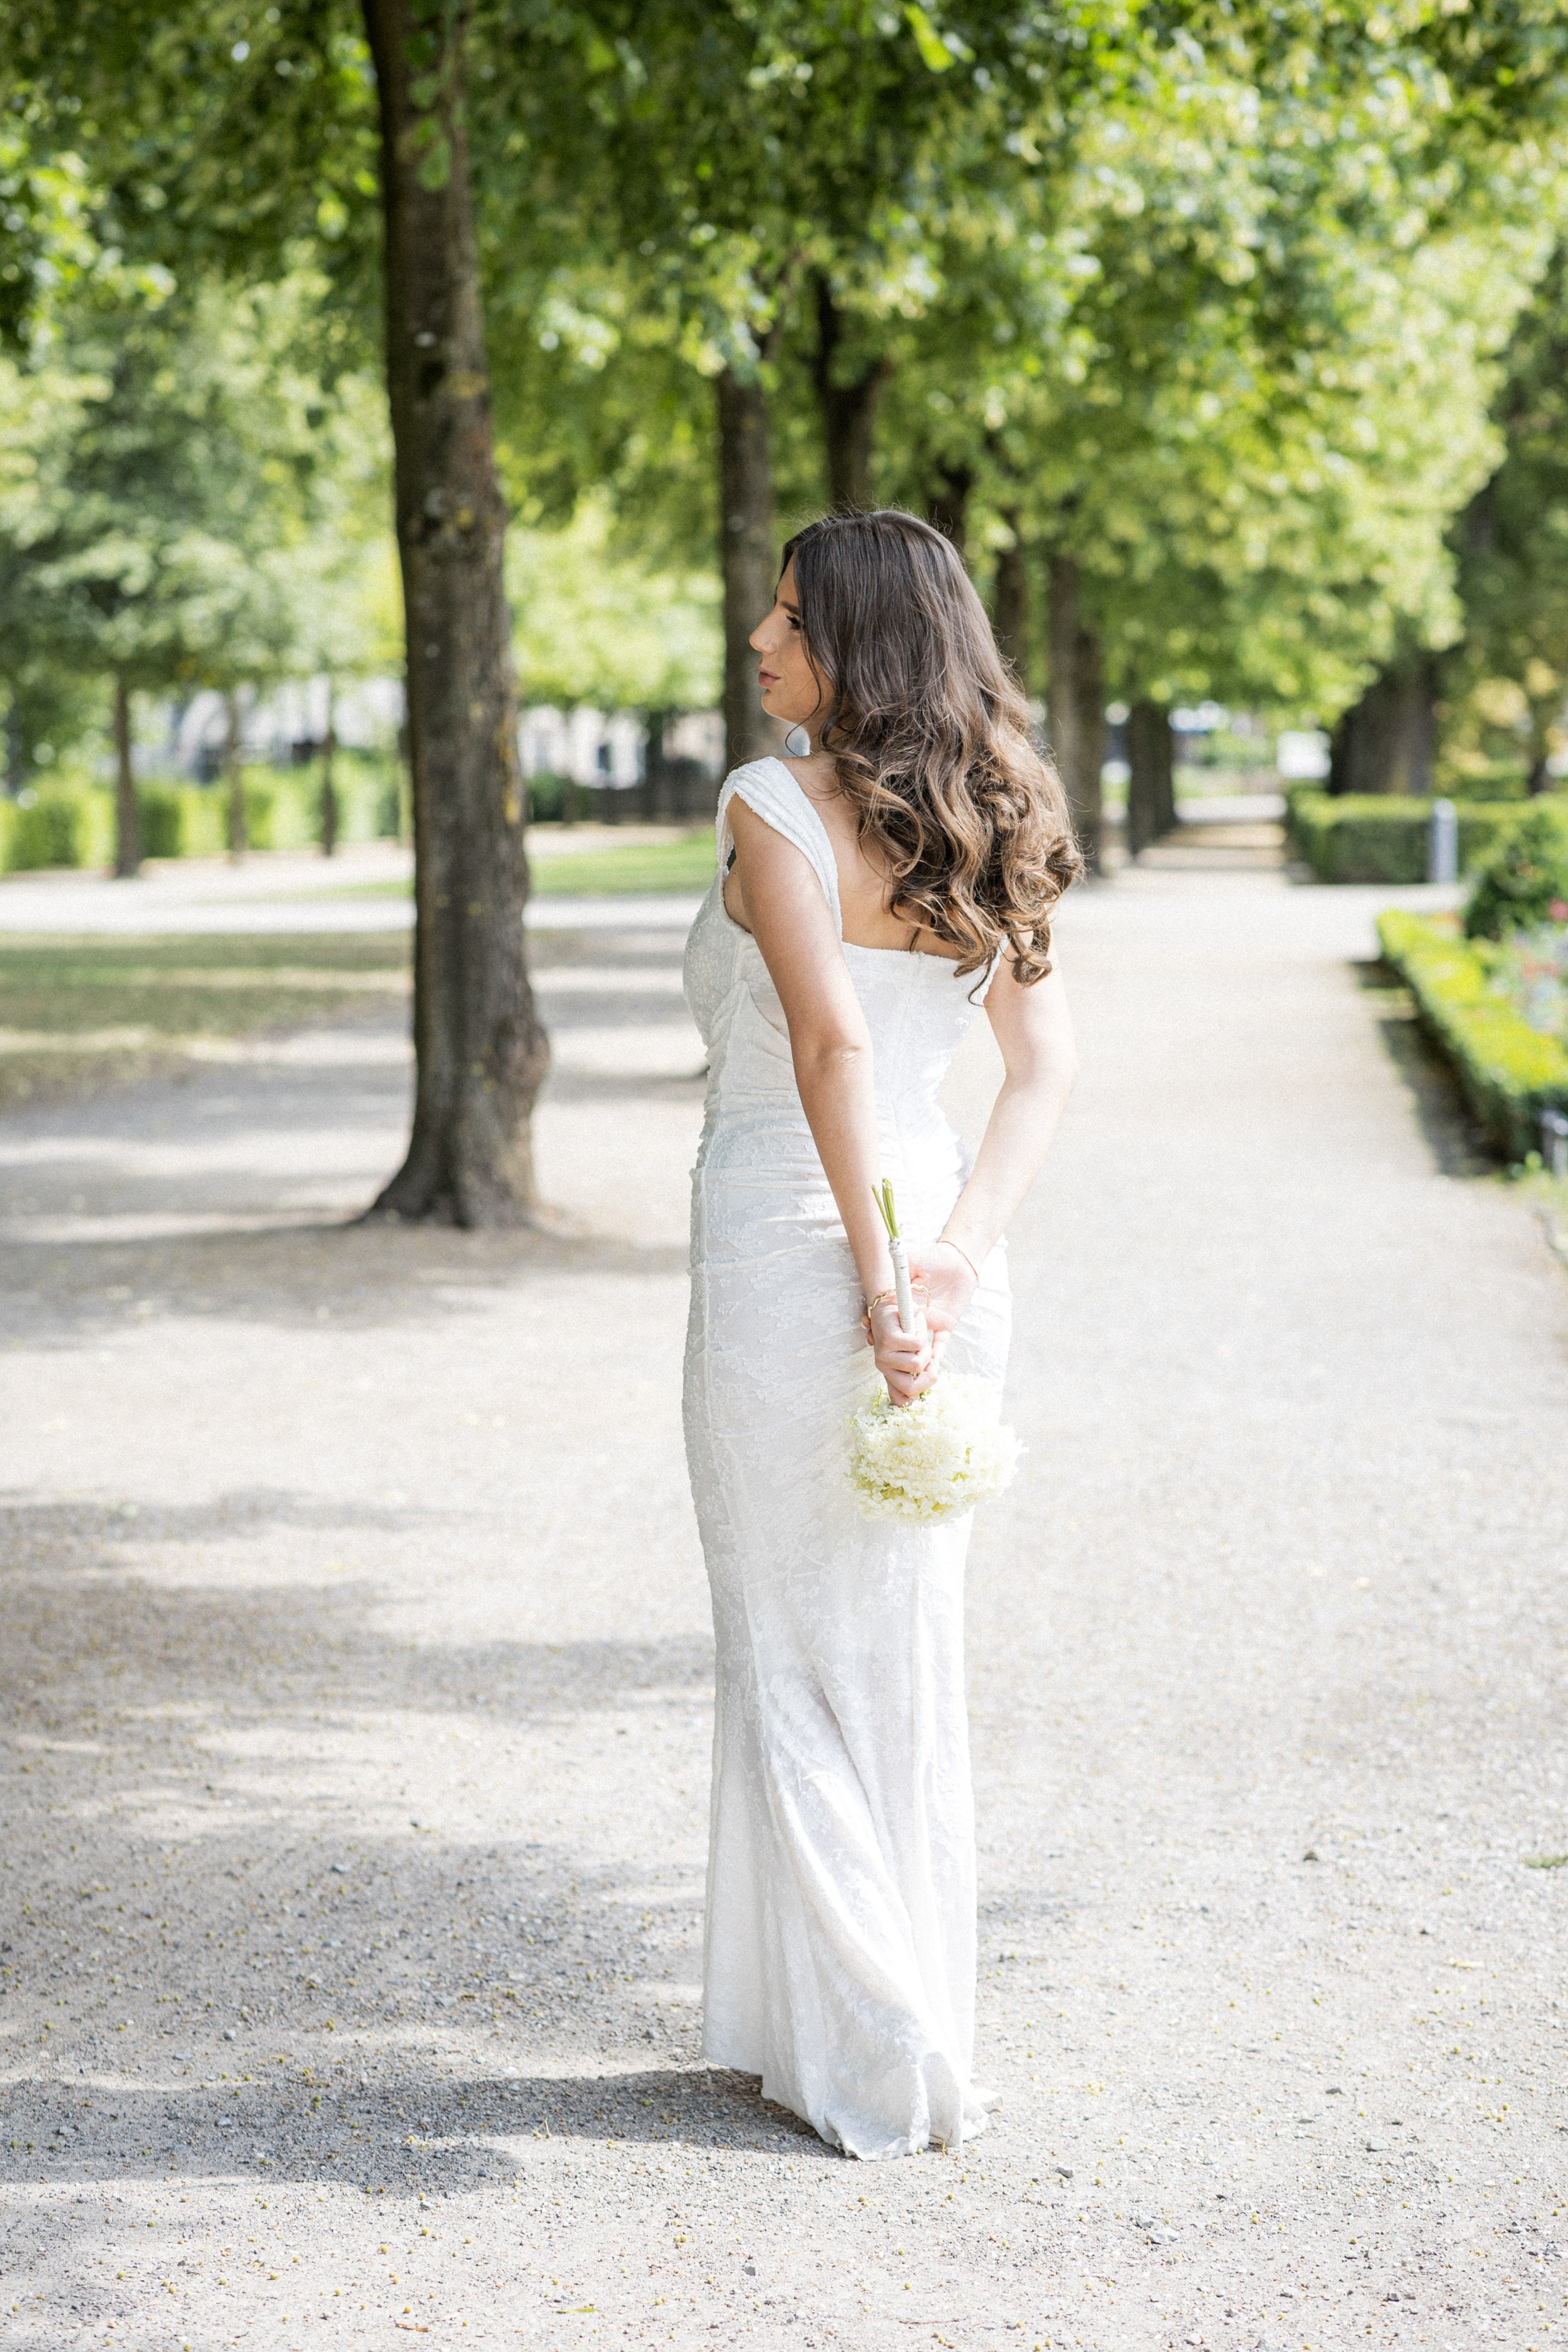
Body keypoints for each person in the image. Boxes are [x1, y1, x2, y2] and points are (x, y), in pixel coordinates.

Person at [681, 508, 1081, 2160]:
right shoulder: (998, 810)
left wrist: (872, 1277)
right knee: (899, 1646)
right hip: (934, 1251)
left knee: (789, 1641)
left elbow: (829, 1051)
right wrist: (952, 1266)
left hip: (796, 1244)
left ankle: (874, 2043)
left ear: (854, 642)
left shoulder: (769, 804)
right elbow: (1038, 1072)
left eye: (785, 618)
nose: (758, 640)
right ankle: (859, 2018)